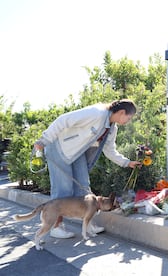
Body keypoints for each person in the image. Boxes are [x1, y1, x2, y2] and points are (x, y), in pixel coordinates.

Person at [34, 99, 141, 239]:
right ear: (122, 112)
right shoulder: (96, 113)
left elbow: (110, 150)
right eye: (129, 117)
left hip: (77, 152)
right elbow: (63, 120)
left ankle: (88, 224)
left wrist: (127, 163)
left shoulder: (112, 128)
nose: (129, 120)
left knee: (84, 187)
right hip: (59, 148)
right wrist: (44, 140)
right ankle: (56, 227)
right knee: (63, 189)